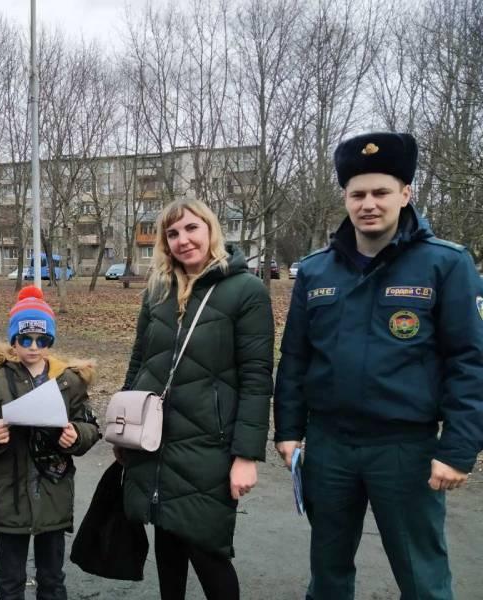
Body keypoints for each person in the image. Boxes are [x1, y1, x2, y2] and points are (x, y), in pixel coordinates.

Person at [274, 132, 483, 600]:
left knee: (422, 577)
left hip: (404, 448)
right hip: (329, 446)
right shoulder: (316, 270)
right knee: (327, 574)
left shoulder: (445, 264)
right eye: (358, 194)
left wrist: (458, 449)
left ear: (406, 194)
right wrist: (287, 429)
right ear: (345, 199)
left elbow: (471, 362)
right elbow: (296, 358)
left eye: (381, 192)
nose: (368, 204)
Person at [119, 198, 274, 600]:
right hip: (154, 438)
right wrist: (124, 426)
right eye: (172, 233)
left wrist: (246, 455)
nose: (183, 240)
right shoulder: (157, 290)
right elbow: (139, 360)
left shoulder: (246, 290)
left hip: (208, 444)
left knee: (207, 550)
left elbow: (257, 378)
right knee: (167, 540)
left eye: (191, 228)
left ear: (210, 230)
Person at [0, 286, 100, 600]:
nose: (33, 346)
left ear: (50, 341)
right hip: (10, 496)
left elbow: (90, 427)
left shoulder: (68, 381)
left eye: (42, 340)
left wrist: (76, 435)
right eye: (25, 339)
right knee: (10, 580)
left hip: (54, 494)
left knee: (52, 579)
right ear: (13, 340)